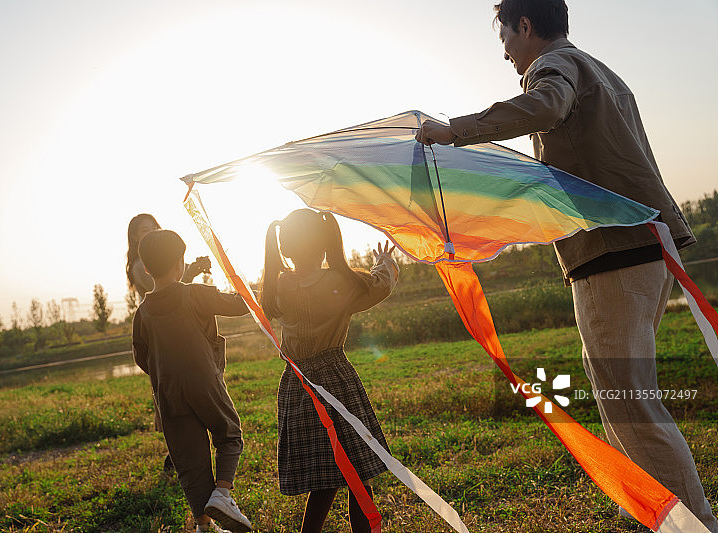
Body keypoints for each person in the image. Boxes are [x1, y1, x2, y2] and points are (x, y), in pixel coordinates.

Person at [415, 1, 717, 530]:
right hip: (643, 249)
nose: (506, 54)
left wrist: (453, 131)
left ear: (525, 27)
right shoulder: (602, 72)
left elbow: (546, 106)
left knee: (631, 407)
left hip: (613, 254)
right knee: (627, 401)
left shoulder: (552, 69)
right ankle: (663, 517)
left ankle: (694, 524)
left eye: (505, 39)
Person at [260, 209, 398, 533]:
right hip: (335, 384)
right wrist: (385, 263)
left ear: (286, 248)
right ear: (324, 245)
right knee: (357, 475)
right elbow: (380, 285)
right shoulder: (337, 283)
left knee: (325, 479)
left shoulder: (278, 285)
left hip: (297, 386)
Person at [132, 229, 252, 533]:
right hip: (205, 383)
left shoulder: (142, 313)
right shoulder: (195, 292)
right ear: (180, 264)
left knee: (189, 459)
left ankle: (203, 525)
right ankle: (223, 494)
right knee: (228, 434)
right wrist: (247, 284)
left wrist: (166, 371)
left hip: (168, 393)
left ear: (146, 268)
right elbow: (240, 305)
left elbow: (141, 357)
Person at [126, 213, 211, 473]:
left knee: (179, 389)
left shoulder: (158, 259)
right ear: (135, 237)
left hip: (172, 328)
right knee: (170, 393)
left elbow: (175, 288)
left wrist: (190, 271)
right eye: (144, 229)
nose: (151, 231)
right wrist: (191, 273)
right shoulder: (141, 266)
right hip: (161, 333)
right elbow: (167, 290)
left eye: (154, 226)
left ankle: (178, 453)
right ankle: (176, 454)